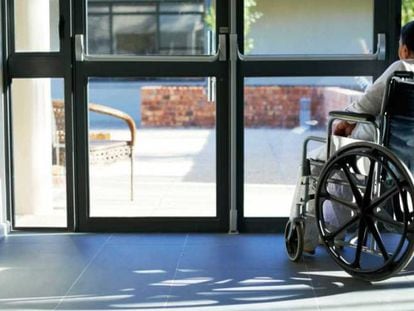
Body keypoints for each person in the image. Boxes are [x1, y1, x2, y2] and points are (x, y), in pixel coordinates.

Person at [290, 20, 414, 253]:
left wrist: (345, 122)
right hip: (406, 157)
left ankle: (306, 237)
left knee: (316, 162)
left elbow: (366, 104)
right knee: (344, 169)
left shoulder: (402, 68)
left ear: (404, 49)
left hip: (380, 150)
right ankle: (333, 230)